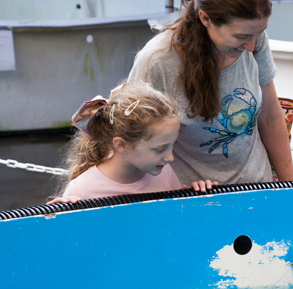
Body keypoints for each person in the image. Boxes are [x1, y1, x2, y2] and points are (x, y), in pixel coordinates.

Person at [128, 0, 293, 186]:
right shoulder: (157, 62)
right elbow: (131, 145)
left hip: (258, 188)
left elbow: (271, 116)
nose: (252, 46)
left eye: (259, 33)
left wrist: (289, 188)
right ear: (205, 18)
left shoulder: (254, 39)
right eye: (241, 37)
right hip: (194, 199)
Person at [49, 82, 216, 204]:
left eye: (172, 146)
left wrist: (194, 200)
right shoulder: (82, 191)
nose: (170, 157)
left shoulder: (164, 173)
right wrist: (55, 218)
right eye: (159, 149)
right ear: (121, 145)